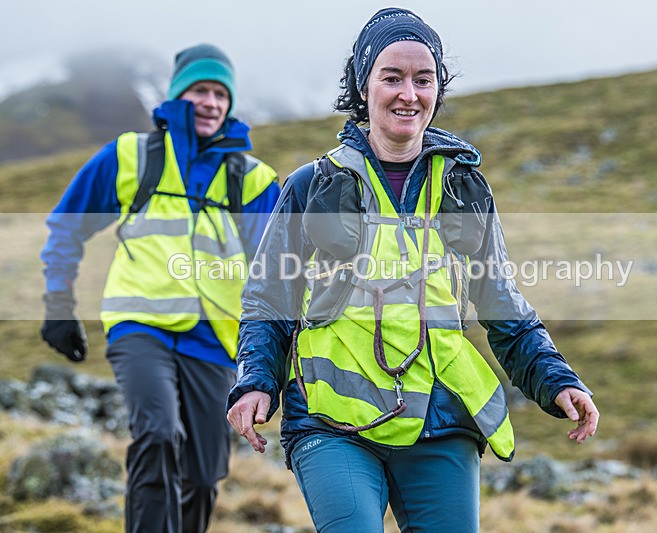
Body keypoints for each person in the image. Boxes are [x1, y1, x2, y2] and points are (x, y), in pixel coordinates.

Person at [226, 8, 599, 532]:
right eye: (392, 77)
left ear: (437, 90)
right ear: (364, 86)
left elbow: (500, 301)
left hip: (440, 420)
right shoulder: (311, 186)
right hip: (332, 424)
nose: (409, 93)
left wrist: (555, 379)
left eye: (424, 80)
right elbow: (270, 299)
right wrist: (256, 380)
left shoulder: (464, 190)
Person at [40, 43, 280, 532]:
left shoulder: (253, 181)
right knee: (156, 433)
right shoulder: (131, 156)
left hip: (214, 342)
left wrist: (279, 356)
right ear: (176, 96)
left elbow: (278, 272)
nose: (211, 102)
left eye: (220, 93)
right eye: (199, 90)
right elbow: (67, 226)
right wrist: (58, 303)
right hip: (139, 328)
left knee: (203, 474)